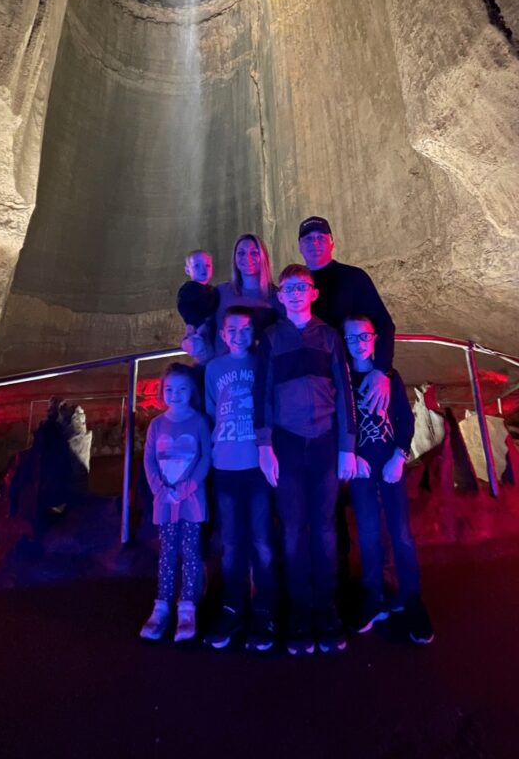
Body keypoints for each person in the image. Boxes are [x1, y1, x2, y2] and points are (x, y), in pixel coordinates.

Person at [256, 264, 357, 655]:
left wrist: (347, 445)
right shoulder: (270, 338)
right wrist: (264, 445)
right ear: (280, 296)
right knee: (294, 527)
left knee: (325, 527)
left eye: (302, 286)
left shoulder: (329, 337)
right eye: (289, 288)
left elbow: (345, 391)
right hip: (286, 442)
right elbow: (263, 392)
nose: (296, 292)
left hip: (325, 442)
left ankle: (326, 607)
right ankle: (299, 609)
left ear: (313, 293)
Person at [343, 315, 434, 645]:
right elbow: (342, 419)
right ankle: (374, 594)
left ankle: (411, 597)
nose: (359, 344)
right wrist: (351, 454)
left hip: (390, 462)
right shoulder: (343, 379)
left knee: (401, 533)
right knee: (368, 533)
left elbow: (404, 419)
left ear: (374, 338)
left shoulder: (390, 377)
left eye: (364, 336)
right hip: (361, 466)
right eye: (351, 338)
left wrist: (400, 455)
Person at [203, 306, 275, 651]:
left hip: (257, 464)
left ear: (254, 332)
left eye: (246, 329)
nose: (239, 335)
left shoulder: (262, 363)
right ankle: (233, 605)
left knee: (262, 540)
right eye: (232, 329)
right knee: (231, 542)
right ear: (222, 334)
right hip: (226, 464)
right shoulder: (214, 368)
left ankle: (264, 608)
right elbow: (212, 410)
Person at [140, 363, 211, 643]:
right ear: (162, 391)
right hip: (165, 501)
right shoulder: (156, 425)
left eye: (182, 389)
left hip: (190, 500)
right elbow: (149, 460)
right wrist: (160, 490)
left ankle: (188, 605)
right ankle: (162, 604)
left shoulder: (199, 422)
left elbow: (205, 456)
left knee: (191, 551)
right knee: (167, 551)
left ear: (192, 391)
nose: (175, 394)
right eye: (170, 389)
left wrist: (186, 488)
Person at [298, 216, 395, 415]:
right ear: (299, 246)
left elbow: (383, 323)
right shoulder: (296, 286)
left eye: (321, 237)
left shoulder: (354, 278)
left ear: (332, 242)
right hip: (314, 380)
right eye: (308, 239)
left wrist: (381, 369)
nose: (315, 243)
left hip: (354, 378)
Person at [182, 234, 282, 363]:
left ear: (263, 257)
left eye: (254, 252)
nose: (247, 257)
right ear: (234, 258)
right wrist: (193, 342)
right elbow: (202, 330)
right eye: (241, 253)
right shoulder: (219, 292)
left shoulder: (279, 297)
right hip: (223, 371)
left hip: (263, 370)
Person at [176, 250, 219, 367]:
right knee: (206, 356)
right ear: (187, 270)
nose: (203, 269)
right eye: (197, 266)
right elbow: (184, 308)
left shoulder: (212, 290)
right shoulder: (188, 289)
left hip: (212, 330)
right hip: (200, 331)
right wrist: (199, 324)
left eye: (207, 265)